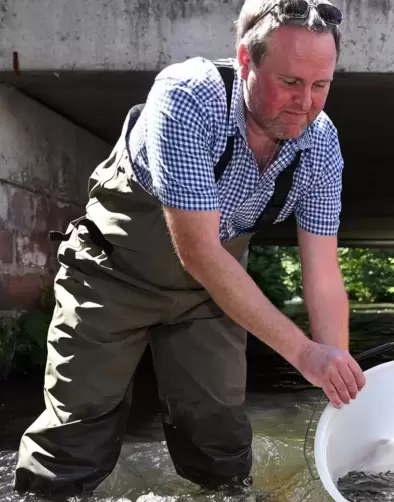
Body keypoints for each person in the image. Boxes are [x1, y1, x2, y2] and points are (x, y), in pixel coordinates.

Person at [13, 0, 366, 495]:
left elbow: (324, 277)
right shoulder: (187, 97)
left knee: (220, 444)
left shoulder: (322, 147)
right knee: (76, 434)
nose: (305, 102)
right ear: (245, 60)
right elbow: (199, 251)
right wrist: (304, 354)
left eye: (320, 85)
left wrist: (337, 374)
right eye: (290, 82)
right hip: (114, 272)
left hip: (210, 296)